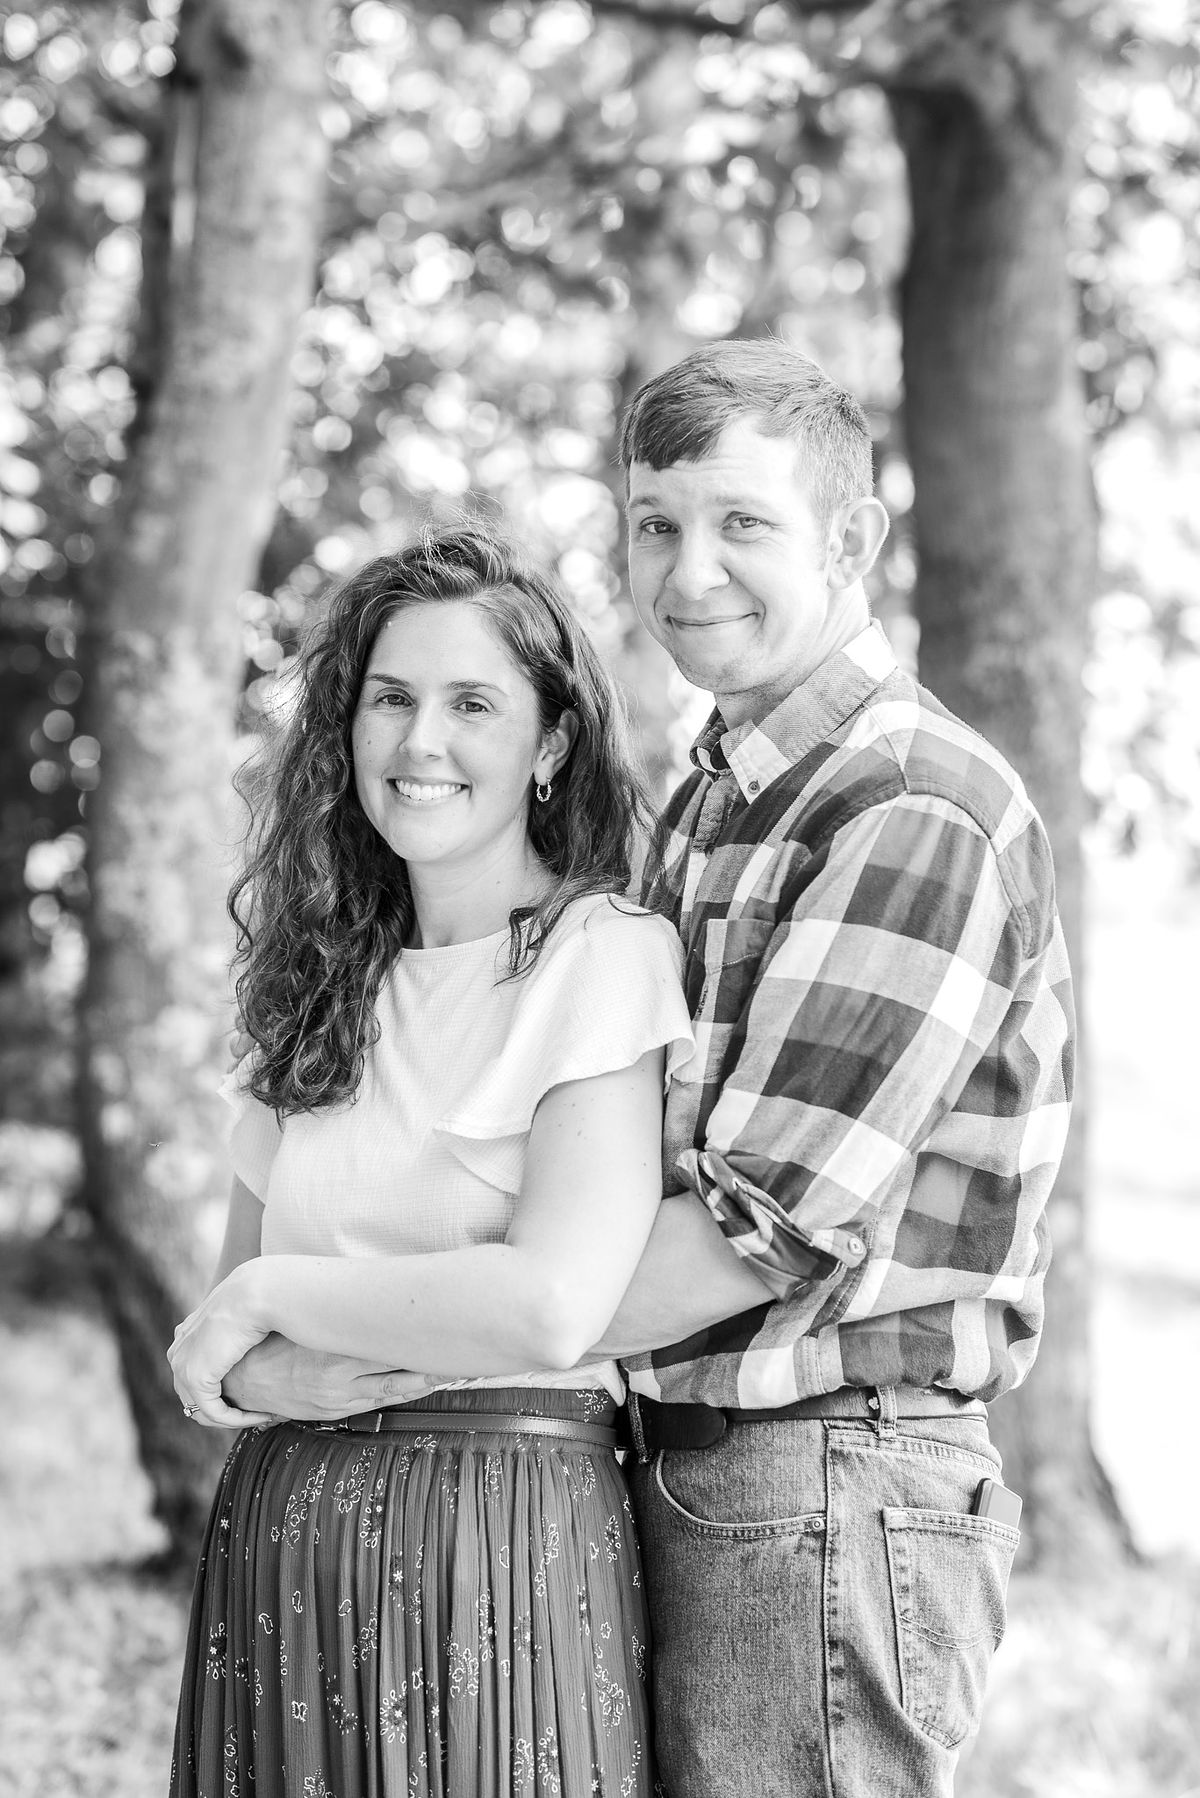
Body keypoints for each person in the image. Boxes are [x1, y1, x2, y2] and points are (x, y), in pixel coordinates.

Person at [224, 340, 1075, 1798]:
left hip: (828, 1470)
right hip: (699, 1459)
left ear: (854, 538)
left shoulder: (908, 805)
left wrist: (324, 1331)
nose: (690, 569)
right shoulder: (721, 800)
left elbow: (754, 1228)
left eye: (743, 522)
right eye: (656, 521)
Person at [166, 525, 694, 1798]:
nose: (420, 743)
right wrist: (273, 1330)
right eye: (390, 699)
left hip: (499, 1545)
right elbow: (229, 1360)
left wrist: (269, 1304)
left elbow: (548, 1303)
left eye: (473, 704)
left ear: (552, 743)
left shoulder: (600, 956)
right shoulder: (309, 982)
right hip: (285, 1543)